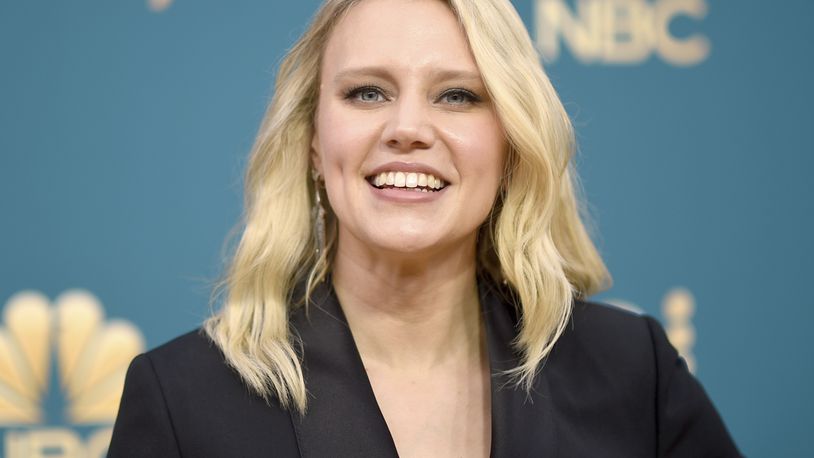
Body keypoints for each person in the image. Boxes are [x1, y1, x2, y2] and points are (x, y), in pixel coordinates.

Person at [108, 0, 741, 456]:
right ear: (310, 140)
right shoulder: (181, 397)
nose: (408, 127)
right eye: (367, 93)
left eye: (458, 96)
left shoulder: (634, 370)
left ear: (511, 144)